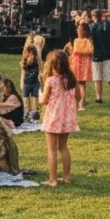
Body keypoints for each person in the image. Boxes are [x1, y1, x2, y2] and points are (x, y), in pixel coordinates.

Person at [40, 49, 80, 186]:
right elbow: (78, 96)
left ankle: (53, 180)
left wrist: (40, 96)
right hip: (67, 117)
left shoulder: (51, 81)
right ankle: (67, 177)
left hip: (53, 117)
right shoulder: (72, 80)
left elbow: (44, 100)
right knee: (63, 147)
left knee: (51, 149)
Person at [68, 23, 94, 109]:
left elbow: (91, 51)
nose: (78, 31)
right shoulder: (76, 40)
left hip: (83, 64)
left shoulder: (87, 40)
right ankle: (81, 100)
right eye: (78, 29)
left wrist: (79, 51)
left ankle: (81, 102)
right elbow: (74, 52)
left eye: (80, 30)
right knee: (78, 83)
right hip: (76, 63)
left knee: (81, 83)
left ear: (84, 31)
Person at [20, 44, 41, 119]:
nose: (32, 56)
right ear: (27, 54)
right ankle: (26, 113)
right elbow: (23, 73)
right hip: (26, 83)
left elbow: (40, 70)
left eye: (33, 54)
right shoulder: (24, 62)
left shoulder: (37, 61)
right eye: (30, 54)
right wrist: (22, 84)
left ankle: (35, 114)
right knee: (25, 99)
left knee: (35, 98)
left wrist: (41, 80)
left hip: (35, 83)